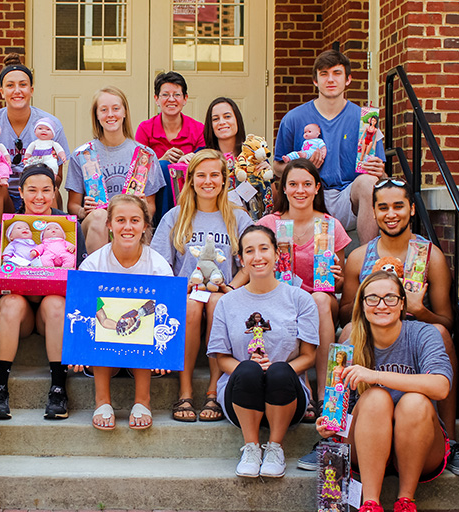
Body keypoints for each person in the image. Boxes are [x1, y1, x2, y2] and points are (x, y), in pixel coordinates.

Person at [322, 177, 459, 476]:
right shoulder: (359, 257)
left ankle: (451, 440)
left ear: (411, 209)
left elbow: (447, 320)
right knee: (346, 334)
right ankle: (334, 427)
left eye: (398, 206)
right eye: (383, 207)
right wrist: (347, 293)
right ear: (374, 211)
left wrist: (420, 310)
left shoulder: (429, 256)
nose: (391, 213)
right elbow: (345, 316)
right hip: (374, 338)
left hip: (415, 340)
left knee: (442, 333)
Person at [315, 271, 453, 512]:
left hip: (418, 448)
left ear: (402, 304)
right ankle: (371, 503)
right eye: (372, 298)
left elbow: (441, 387)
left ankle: (405, 501)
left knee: (415, 402)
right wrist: (328, 425)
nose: (381, 305)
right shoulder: (348, 349)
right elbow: (336, 410)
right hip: (366, 450)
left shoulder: (423, 334)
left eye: (390, 298)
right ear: (362, 305)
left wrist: (375, 376)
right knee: (376, 398)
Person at [207, 225, 319, 478]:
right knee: (247, 370)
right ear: (241, 259)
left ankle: (275, 448)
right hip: (241, 396)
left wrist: (274, 371)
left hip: (287, 395)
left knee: (280, 371)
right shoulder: (227, 302)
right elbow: (221, 357)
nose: (258, 257)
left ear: (277, 254)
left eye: (264, 249)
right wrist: (256, 371)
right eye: (249, 251)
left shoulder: (300, 299)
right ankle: (251, 447)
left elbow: (309, 356)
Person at [150, 149, 253, 422]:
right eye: (201, 175)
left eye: (214, 175)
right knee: (191, 307)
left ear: (224, 180)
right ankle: (185, 390)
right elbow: (159, 264)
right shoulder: (175, 216)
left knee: (219, 304)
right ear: (191, 180)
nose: (208, 181)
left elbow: (250, 261)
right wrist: (180, 287)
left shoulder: (238, 217)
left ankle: (213, 390)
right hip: (186, 291)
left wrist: (231, 287)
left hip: (225, 291)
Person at [0, 164, 88, 420]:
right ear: (20, 192)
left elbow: (79, 272)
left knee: (55, 304)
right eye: (32, 190)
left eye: (46, 190)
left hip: (49, 313)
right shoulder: (8, 227)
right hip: (20, 310)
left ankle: (58, 388)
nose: (39, 197)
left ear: (55, 192)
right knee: (10, 303)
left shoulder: (68, 227)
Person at [256, 158, 350, 417]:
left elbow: (338, 284)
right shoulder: (269, 225)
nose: (300, 190)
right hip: (280, 298)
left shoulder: (330, 225)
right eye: (293, 184)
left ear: (317, 188)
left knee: (318, 300)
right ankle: (303, 386)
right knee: (291, 303)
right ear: (283, 188)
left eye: (307, 184)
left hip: (320, 300)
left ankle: (323, 392)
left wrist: (338, 276)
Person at [79, 194, 174, 430]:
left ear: (145, 226)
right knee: (100, 323)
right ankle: (102, 401)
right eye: (120, 220)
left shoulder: (158, 265)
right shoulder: (93, 264)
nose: (128, 227)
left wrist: (164, 352)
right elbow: (83, 309)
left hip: (143, 351)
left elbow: (166, 311)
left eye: (135, 220)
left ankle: (143, 400)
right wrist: (78, 350)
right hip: (105, 346)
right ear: (109, 225)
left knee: (143, 323)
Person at [273, 50, 385, 243]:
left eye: (337, 73)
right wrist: (302, 167)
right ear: (315, 80)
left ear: (348, 79)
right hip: (309, 195)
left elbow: (381, 176)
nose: (330, 79)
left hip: (349, 198)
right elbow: (276, 167)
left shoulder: (365, 120)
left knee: (369, 183)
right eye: (324, 74)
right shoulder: (293, 118)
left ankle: (367, 260)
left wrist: (380, 172)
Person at [66, 86, 166, 254]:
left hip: (131, 223)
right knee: (100, 217)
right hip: (96, 224)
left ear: (125, 112)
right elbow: (72, 205)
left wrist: (142, 204)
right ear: (97, 115)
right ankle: (96, 277)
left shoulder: (145, 155)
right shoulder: (82, 155)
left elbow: (151, 207)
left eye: (116, 108)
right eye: (104, 110)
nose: (110, 114)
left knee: (135, 220)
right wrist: (84, 210)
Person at [0, 53, 70, 222]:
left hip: (36, 194)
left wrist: (35, 186)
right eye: (10, 85)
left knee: (49, 190)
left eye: (23, 85)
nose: (17, 91)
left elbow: (57, 178)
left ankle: (49, 245)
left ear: (31, 90)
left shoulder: (50, 124)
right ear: (2, 92)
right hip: (3, 193)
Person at [135, 71, 205, 164]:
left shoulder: (199, 129)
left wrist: (187, 161)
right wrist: (161, 160)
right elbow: (139, 167)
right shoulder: (145, 129)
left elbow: (204, 166)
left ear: (185, 99)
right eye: (165, 95)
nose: (171, 99)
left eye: (177, 95)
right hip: (156, 178)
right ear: (156, 99)